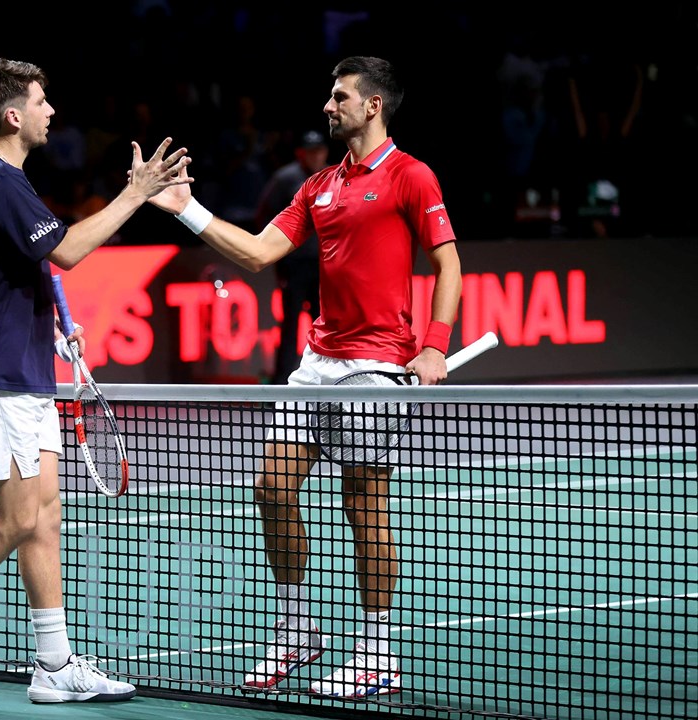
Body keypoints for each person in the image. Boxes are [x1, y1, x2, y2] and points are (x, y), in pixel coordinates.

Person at [148, 56, 462, 699]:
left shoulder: (411, 176)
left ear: (372, 105)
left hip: (378, 364)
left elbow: (448, 263)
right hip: (318, 363)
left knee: (362, 502)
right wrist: (187, 209)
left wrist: (434, 347)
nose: (328, 105)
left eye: (340, 96)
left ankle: (377, 656)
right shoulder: (317, 185)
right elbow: (260, 252)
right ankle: (297, 633)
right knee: (270, 488)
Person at [0, 57, 191, 708]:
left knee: (44, 520)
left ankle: (53, 666)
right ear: (12, 115)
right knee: (15, 517)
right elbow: (70, 252)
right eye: (42, 101)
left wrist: (52, 325)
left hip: (24, 367)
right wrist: (135, 193)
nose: (53, 112)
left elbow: (16, 270)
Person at [255, 130, 329, 384]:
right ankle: (280, 384)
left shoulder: (333, 176)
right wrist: (279, 255)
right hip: (294, 265)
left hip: (325, 267)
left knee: (326, 327)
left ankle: (326, 381)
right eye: (310, 151)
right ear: (301, 154)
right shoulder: (285, 178)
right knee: (289, 328)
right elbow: (264, 216)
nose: (315, 156)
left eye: (319, 150)